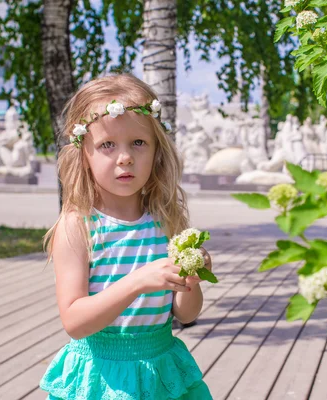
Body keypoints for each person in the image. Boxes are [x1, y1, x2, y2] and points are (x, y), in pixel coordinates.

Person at [40, 74, 213, 399]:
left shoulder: (165, 222)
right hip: (103, 377)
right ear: (84, 154)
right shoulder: (78, 226)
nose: (125, 157)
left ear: (156, 150)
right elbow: (75, 321)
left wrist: (191, 278)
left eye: (138, 142)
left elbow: (186, 314)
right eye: (107, 145)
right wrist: (139, 281)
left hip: (161, 371)